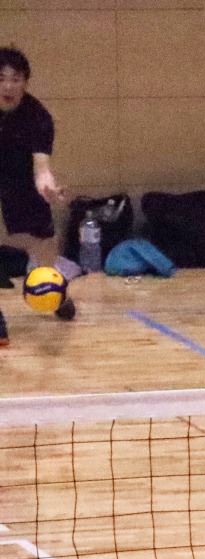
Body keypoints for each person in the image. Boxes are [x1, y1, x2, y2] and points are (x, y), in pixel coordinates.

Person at [0, 45, 73, 344]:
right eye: (1, 79)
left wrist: (47, 188)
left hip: (21, 180)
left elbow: (41, 167)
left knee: (44, 249)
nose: (8, 86)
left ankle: (54, 292)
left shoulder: (38, 117)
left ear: (25, 82)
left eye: (15, 79)